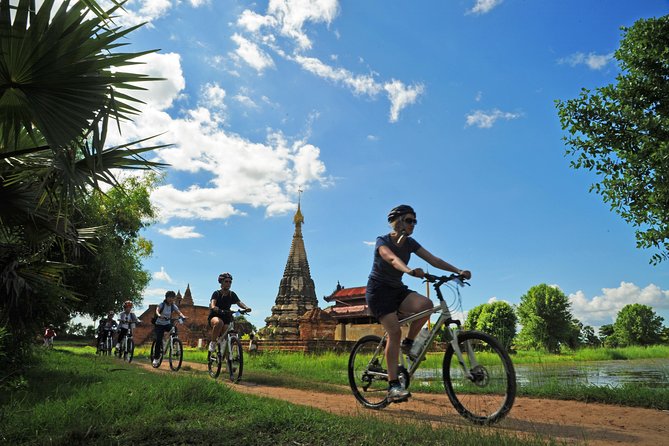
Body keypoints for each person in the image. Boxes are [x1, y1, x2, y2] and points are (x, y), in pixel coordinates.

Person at [366, 204, 471, 403]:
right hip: (378, 292)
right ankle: (393, 386)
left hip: (397, 289)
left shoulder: (410, 243)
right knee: (394, 331)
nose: (413, 224)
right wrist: (409, 271)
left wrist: (458, 271)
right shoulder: (383, 240)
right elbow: (391, 258)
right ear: (397, 222)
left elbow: (434, 259)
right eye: (408, 220)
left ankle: (409, 343)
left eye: (414, 221)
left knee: (427, 305)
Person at [207, 272, 252, 352]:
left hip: (226, 317)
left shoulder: (232, 294)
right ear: (221, 282)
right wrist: (214, 307)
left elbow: (239, 303)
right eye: (226, 281)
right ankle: (213, 342)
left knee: (227, 329)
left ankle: (224, 350)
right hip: (216, 315)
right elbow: (213, 302)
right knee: (219, 323)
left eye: (230, 282)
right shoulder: (216, 293)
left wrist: (246, 308)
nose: (228, 283)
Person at [152, 291, 187, 367]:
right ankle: (156, 358)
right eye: (170, 297)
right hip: (159, 324)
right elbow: (157, 310)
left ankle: (173, 343)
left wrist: (183, 316)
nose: (171, 299)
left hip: (167, 323)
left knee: (175, 329)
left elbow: (178, 312)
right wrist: (159, 315)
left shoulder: (173, 306)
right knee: (158, 340)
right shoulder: (162, 304)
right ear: (166, 297)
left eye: (172, 298)